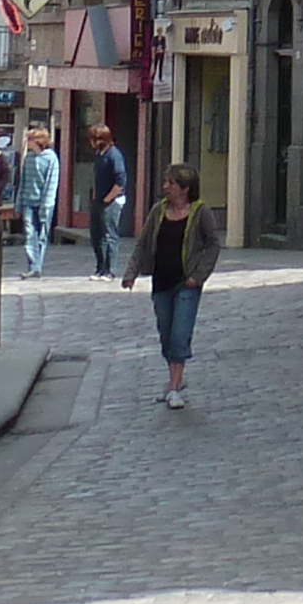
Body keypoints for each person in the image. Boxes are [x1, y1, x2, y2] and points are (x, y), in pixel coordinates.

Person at [133, 170, 224, 406]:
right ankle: (175, 378)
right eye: (166, 182)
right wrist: (131, 273)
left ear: (185, 188)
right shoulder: (158, 211)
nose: (166, 187)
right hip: (161, 281)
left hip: (186, 283)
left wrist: (199, 276)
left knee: (179, 333)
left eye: (171, 183)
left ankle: (174, 388)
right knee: (165, 333)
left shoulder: (200, 212)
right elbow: (144, 243)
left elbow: (213, 244)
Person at [12, 126, 61, 277]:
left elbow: (51, 184)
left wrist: (46, 205)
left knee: (42, 235)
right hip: (28, 201)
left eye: (30, 139)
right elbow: (23, 181)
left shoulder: (51, 158)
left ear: (38, 141)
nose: (28, 142)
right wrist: (18, 204)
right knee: (29, 233)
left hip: (44, 203)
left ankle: (37, 266)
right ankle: (33, 266)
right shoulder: (29, 158)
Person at [85, 125, 130, 280]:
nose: (90, 142)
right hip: (98, 200)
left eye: (93, 139)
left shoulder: (114, 155)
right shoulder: (99, 155)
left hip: (111, 201)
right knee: (96, 235)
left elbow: (120, 181)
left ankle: (110, 271)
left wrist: (107, 199)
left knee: (110, 235)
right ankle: (100, 268)